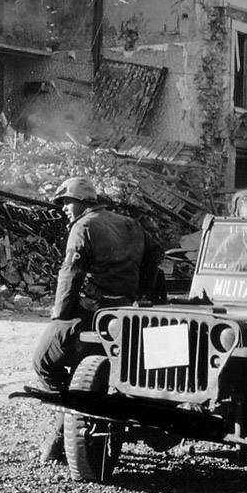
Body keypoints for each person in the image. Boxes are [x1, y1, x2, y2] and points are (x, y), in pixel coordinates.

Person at [32, 176, 147, 462]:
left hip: (91, 316)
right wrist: (140, 295)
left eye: (67, 202)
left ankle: (63, 430)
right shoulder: (130, 224)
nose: (63, 210)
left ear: (83, 202)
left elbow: (70, 273)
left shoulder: (83, 226)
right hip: (122, 316)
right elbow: (155, 256)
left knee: (43, 361)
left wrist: (59, 316)